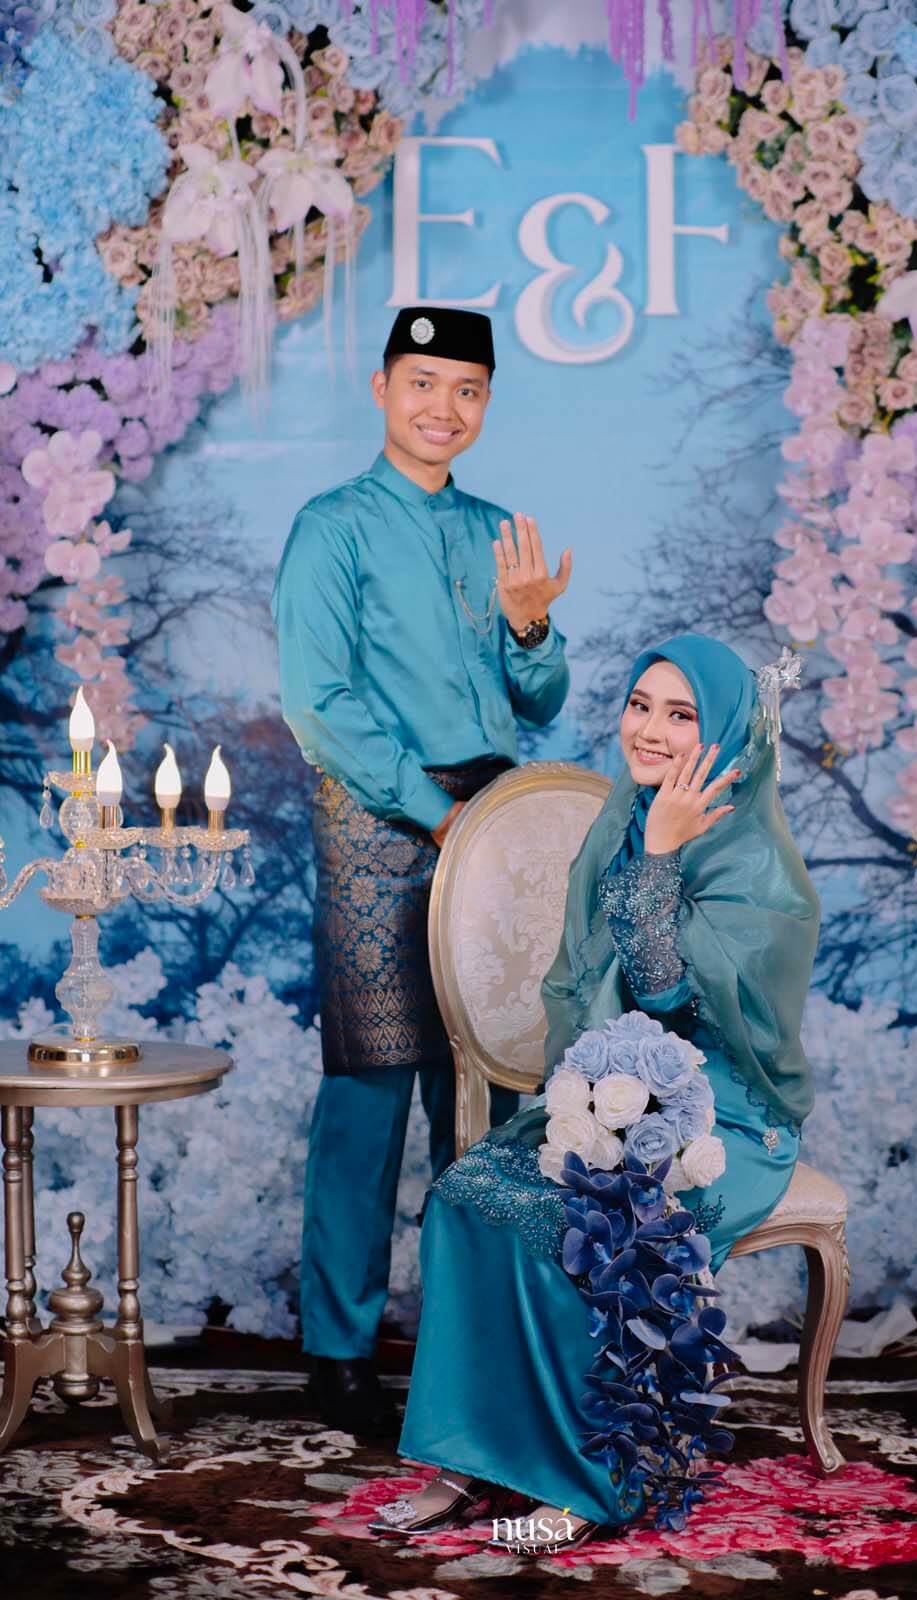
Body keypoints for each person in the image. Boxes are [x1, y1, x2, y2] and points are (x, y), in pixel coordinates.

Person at [370, 634, 820, 1548]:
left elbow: (673, 998)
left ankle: (586, 1484)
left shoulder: (758, 867)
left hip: (722, 1120)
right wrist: (582, 1094)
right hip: (610, 1092)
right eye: (639, 705)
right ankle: (475, 1458)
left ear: (727, 734)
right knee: (464, 1200)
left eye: (680, 714)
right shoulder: (623, 821)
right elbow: (583, 988)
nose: (648, 730)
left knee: (578, 1234)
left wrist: (659, 858)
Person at [271, 306, 573, 1437]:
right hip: (376, 818)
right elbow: (317, 701)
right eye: (423, 383)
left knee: (490, 1083)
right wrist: (432, 812)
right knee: (370, 1086)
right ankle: (339, 1354)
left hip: (492, 814)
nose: (444, 408)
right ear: (381, 387)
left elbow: (540, 702)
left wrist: (531, 630)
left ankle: (473, 1340)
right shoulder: (332, 528)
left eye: (467, 389)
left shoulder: (497, 531)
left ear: (485, 403)